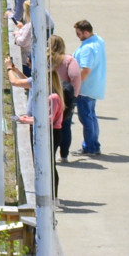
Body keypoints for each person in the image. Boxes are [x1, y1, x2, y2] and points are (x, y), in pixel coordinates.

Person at [72, 19, 107, 156]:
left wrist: (76, 85)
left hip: (85, 89)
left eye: (79, 34)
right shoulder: (98, 40)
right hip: (95, 86)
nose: (78, 36)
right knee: (91, 117)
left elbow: (85, 70)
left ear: (86, 32)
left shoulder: (87, 49)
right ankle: (94, 145)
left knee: (86, 118)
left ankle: (90, 147)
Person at [50, 31, 79, 161]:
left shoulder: (44, 58)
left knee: (50, 124)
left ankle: (50, 152)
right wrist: (75, 95)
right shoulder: (69, 60)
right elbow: (75, 77)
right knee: (65, 125)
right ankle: (64, 155)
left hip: (49, 95)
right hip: (65, 96)